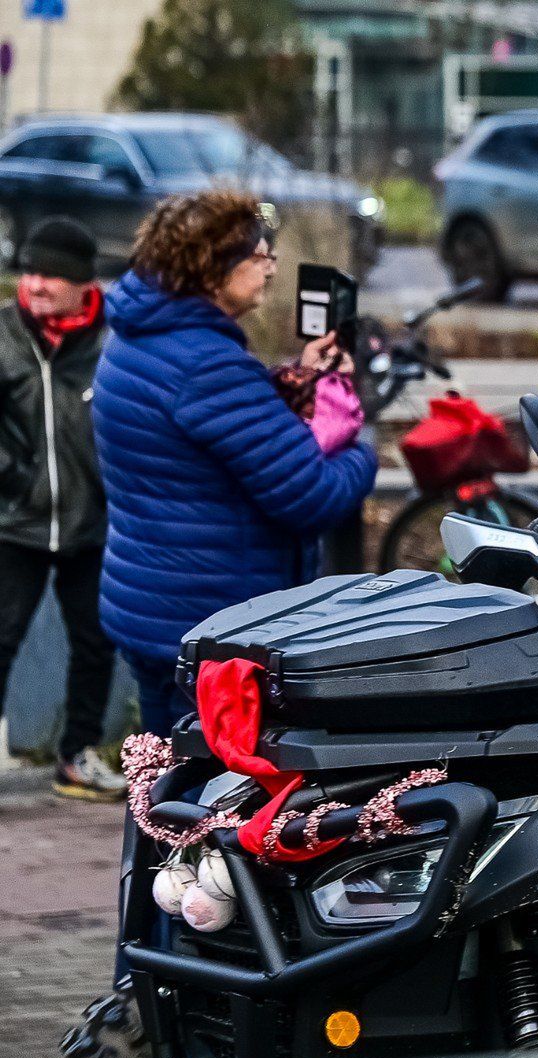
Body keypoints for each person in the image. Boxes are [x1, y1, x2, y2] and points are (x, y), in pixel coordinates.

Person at [91, 192, 377, 736]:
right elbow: (314, 496)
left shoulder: (136, 336)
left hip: (153, 606)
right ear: (214, 268)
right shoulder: (208, 364)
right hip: (216, 627)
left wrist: (283, 384)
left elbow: (193, 437)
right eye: (259, 254)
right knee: (209, 801)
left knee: (162, 781)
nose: (271, 266)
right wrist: (360, 447)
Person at [0, 218, 125, 800]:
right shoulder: (3, 334)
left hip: (90, 522)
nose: (36, 284)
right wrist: (12, 474)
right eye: (30, 271)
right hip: (13, 522)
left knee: (96, 642)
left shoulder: (112, 342)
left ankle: (76, 757)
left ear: (83, 283)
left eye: (51, 274)